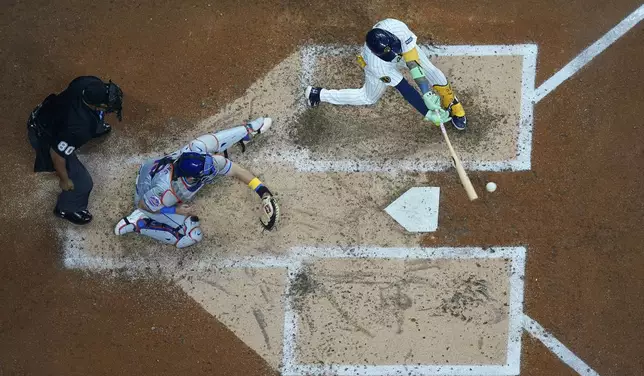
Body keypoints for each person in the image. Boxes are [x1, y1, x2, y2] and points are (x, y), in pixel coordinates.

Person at [114, 117, 280, 248]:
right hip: (145, 194)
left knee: (210, 143)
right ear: (191, 178)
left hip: (153, 169)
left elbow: (236, 170)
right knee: (192, 236)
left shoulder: (197, 149)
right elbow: (144, 204)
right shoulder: (167, 193)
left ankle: (249, 131)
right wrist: (175, 210)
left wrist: (262, 191)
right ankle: (138, 223)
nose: (214, 163)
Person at [305, 18, 467, 130]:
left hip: (403, 47)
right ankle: (318, 94)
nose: (397, 56)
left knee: (429, 70)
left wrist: (426, 91)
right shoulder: (377, 65)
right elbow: (405, 88)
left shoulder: (396, 27)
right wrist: (427, 112)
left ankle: (452, 103)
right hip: (382, 66)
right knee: (368, 97)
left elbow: (412, 63)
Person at [27, 76, 124, 224]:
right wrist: (65, 180)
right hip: (44, 134)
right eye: (107, 104)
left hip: (50, 113)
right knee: (83, 183)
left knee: (94, 122)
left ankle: (96, 125)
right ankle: (67, 209)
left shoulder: (88, 82)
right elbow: (56, 154)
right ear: (97, 105)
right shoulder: (79, 129)